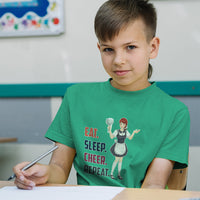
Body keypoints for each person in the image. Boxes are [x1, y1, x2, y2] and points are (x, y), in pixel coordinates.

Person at [13, 0, 190, 190]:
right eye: (108, 49)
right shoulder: (76, 98)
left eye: (130, 47)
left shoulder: (174, 112)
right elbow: (59, 168)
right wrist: (44, 173)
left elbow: (154, 184)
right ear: (99, 49)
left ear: (152, 47)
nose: (118, 60)